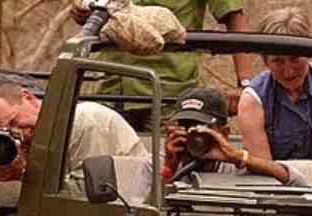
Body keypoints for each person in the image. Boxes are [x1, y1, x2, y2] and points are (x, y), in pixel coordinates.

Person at [71, 0, 257, 131]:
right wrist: (80, 10)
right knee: (100, 169)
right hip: (109, 86)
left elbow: (235, 20)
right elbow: (90, 10)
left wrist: (245, 84)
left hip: (167, 92)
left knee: (166, 167)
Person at [0, 81, 147, 183]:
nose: (21, 134)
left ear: (29, 98)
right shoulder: (22, 141)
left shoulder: (84, 120)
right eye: (7, 132)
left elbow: (85, 198)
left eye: (16, 121)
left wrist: (22, 172)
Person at [236, 8, 312, 162]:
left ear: (309, 53)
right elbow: (263, 168)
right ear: (266, 61)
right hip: (270, 181)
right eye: (278, 61)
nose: (289, 71)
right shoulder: (252, 100)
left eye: (295, 59)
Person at [160, 87, 312, 186]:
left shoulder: (237, 167)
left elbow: (299, 185)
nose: (192, 133)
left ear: (225, 132)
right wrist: (169, 168)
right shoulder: (157, 163)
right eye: (185, 126)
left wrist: (240, 159)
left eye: (202, 128)